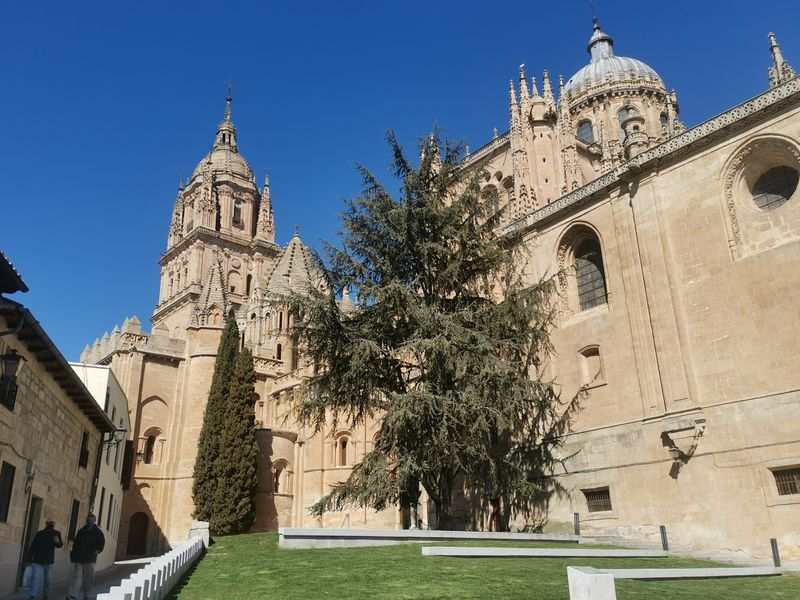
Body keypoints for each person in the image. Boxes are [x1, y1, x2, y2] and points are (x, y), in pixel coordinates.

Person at [66, 513, 105, 600]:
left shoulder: (98, 533)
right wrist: (73, 555)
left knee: (88, 579)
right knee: (77, 577)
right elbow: (75, 544)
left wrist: (97, 550)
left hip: (90, 558)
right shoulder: (81, 531)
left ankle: (87, 596)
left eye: (91, 520)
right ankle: (73, 595)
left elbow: (101, 543)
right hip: (79, 558)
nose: (90, 522)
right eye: (88, 520)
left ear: (94, 521)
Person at [26, 518, 63, 600]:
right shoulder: (40, 533)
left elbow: (60, 545)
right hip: (37, 559)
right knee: (35, 577)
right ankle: (33, 595)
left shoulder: (56, 533)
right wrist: (29, 559)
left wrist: (57, 541)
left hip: (48, 560)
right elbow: (33, 546)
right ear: (46, 524)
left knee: (48, 580)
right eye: (50, 522)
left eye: (52, 522)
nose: (51, 524)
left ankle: (46, 594)